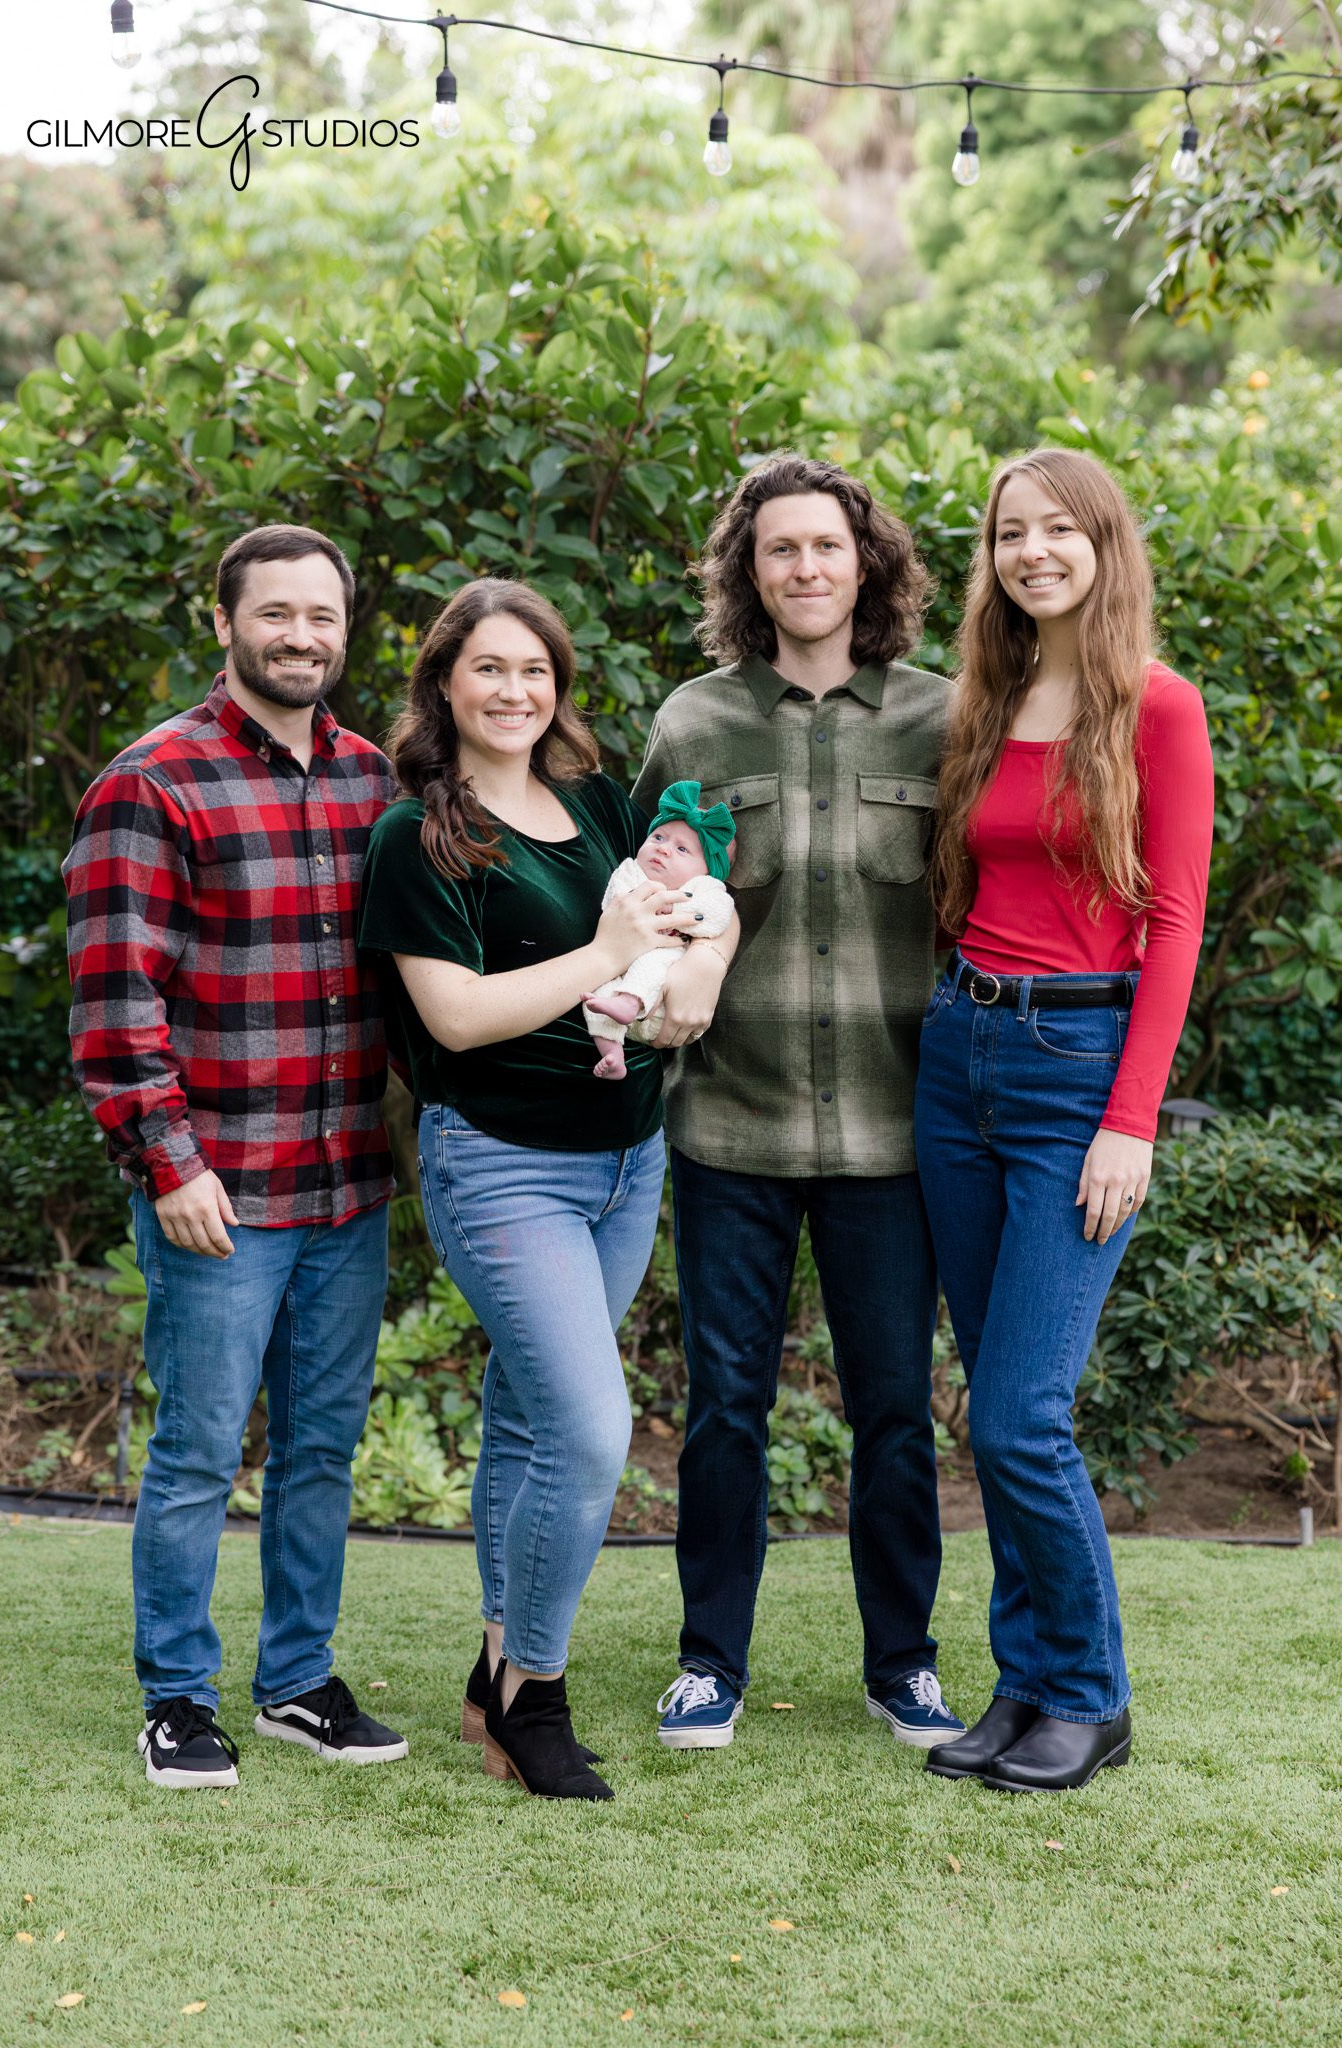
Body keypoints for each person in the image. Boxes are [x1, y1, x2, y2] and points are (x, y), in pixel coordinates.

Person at [63, 524, 408, 1788]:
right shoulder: (151, 781)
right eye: (275, 613)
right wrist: (170, 1162)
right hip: (221, 1189)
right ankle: (178, 1695)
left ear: (344, 627)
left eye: (322, 614)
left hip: (346, 1185)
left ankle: (299, 1680)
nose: (300, 634)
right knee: (201, 1448)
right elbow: (115, 1001)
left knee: (322, 1445)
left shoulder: (375, 780)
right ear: (225, 622)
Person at [632, 453, 966, 1753]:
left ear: (865, 562)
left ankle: (905, 1668)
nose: (806, 568)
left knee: (893, 1411)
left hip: (896, 1136)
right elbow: (657, 908)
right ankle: (708, 1660)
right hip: (729, 1128)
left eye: (827, 546)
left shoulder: (946, 718)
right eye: (779, 549)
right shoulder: (695, 723)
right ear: (747, 570)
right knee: (724, 1406)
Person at [358, 577, 704, 1801]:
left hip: (626, 1156)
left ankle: (491, 1672)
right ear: (444, 683)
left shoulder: (602, 803)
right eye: (489, 668)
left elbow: (676, 927)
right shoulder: (419, 837)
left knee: (524, 1416)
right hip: (500, 1161)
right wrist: (607, 956)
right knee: (590, 1428)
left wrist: (672, 977)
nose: (515, 691)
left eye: (535, 669)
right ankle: (537, 1695)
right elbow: (452, 1015)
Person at [915, 448, 1214, 1793]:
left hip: (1076, 1066)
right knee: (992, 1400)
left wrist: (1129, 1117)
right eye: (1008, 533)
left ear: (1103, 544)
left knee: (1022, 1416)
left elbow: (1173, 917)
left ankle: (1089, 1693)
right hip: (959, 1052)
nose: (1032, 552)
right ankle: (1023, 1686)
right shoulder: (986, 698)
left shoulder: (1156, 707)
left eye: (1059, 530)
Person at [583, 780, 736, 1079]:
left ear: (707, 869)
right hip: (620, 969)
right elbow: (614, 899)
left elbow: (717, 916)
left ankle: (630, 1003)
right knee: (595, 993)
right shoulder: (631, 871)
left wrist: (675, 910)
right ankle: (612, 1055)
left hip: (668, 984)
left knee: (653, 962)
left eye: (681, 849)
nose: (663, 850)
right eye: (658, 837)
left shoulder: (705, 887)